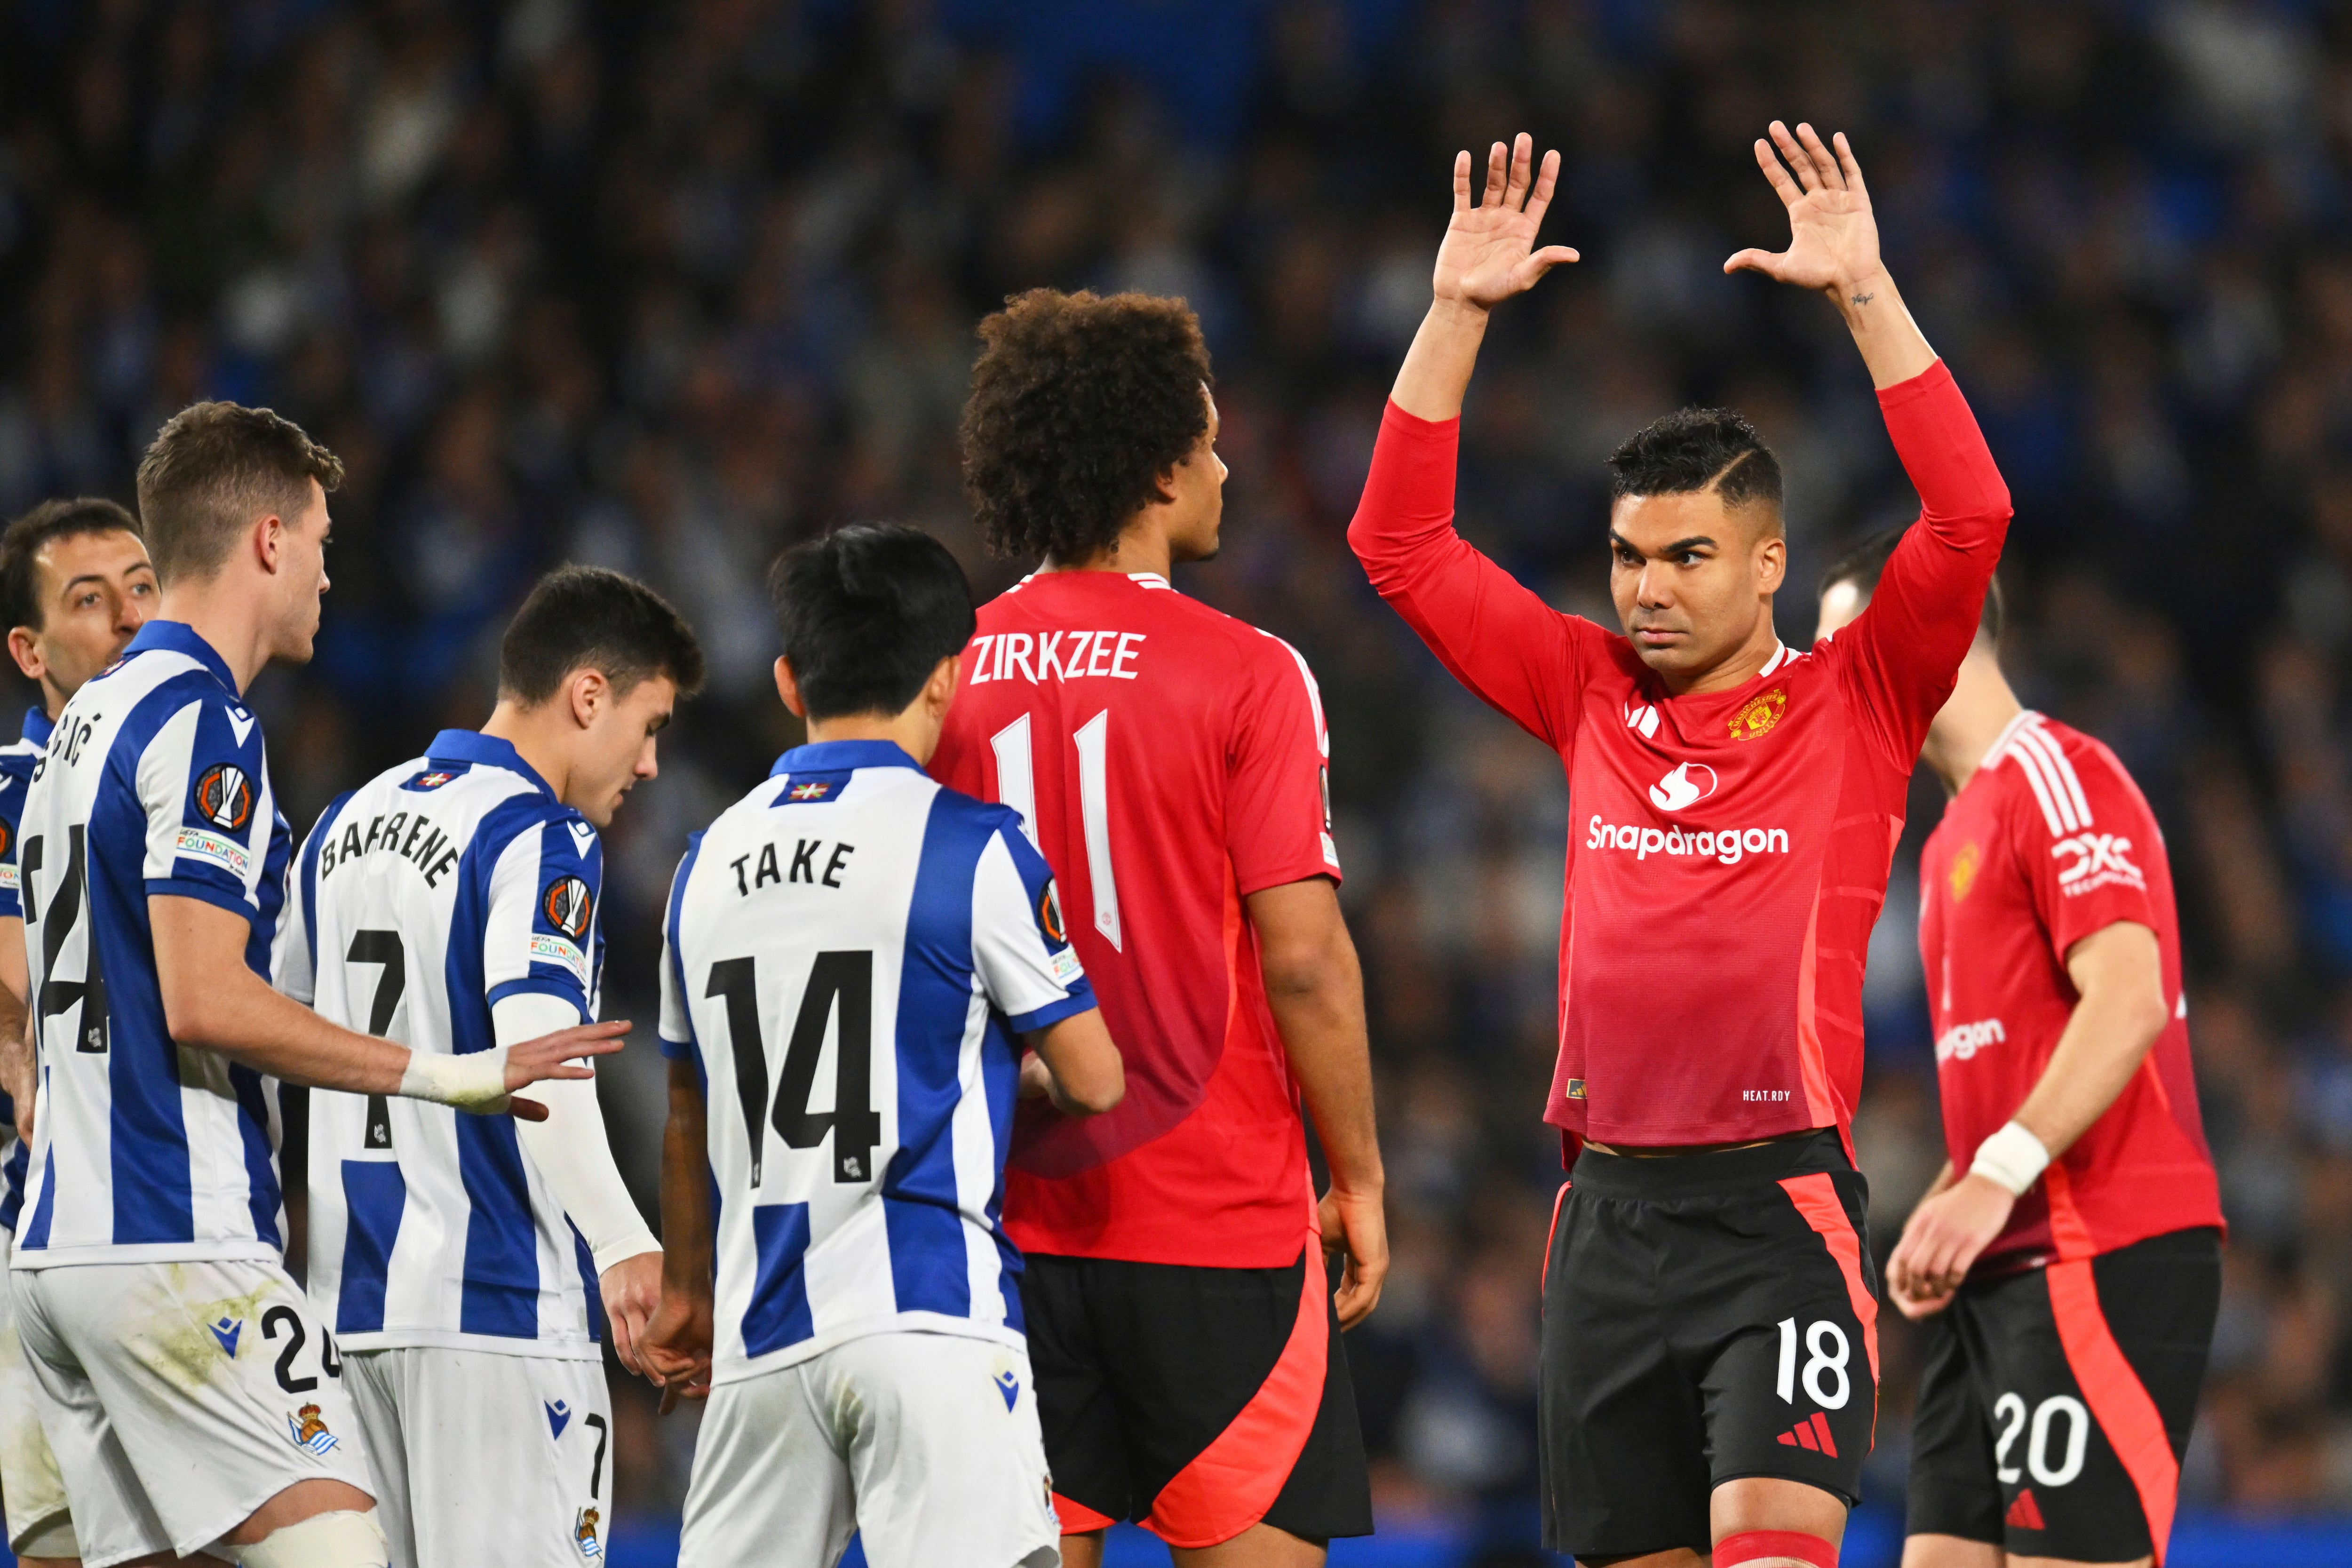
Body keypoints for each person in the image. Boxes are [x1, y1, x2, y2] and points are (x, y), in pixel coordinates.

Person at [1347, 127, 2013, 1568]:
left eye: (1688, 556)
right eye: (1629, 556)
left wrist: (1865, 293)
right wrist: (1453, 312)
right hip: (1605, 1217)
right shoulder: (1585, 686)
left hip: (1777, 1214)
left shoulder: (1860, 694)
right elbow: (1398, 542)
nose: (1647, 589)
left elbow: (1971, 516)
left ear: (1768, 562)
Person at [10, 402, 620, 1568]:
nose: (329, 575)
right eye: (322, 541)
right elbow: (204, 997)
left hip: (55, 1251)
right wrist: (444, 1072)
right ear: (269, 540)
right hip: (172, 1239)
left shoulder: (79, 723)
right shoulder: (202, 720)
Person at [931, 287, 1384, 1565]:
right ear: (1161, 468)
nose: (1228, 469)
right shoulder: (1252, 670)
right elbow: (1305, 960)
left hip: (1001, 1225)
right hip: (1217, 1224)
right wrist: (1359, 1174)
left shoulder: (944, 673)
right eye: (1213, 443)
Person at [643, 523, 1124, 1568]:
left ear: (788, 679)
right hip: (930, 1322)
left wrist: (686, 1294)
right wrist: (989, 1068)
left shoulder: (702, 863)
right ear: (947, 676)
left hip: (763, 1340)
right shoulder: (972, 844)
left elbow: (686, 1109)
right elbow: (1095, 1078)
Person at [273, 565, 702, 1568]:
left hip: (346, 1318)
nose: (648, 765)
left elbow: (272, 1029)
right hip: (495, 1314)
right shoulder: (540, 834)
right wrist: (622, 1241)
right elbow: (542, 1052)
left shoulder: (341, 824)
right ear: (587, 694)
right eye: (648, 726)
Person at [1816, 537, 2221, 1568]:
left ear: (1932, 631)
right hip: (1997, 1264)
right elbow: (2018, 1065)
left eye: (1844, 650)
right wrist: (1951, 1201)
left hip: (2101, 1246)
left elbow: (2127, 998)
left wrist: (1990, 1178)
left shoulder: (2056, 773)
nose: (1827, 684)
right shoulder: (1949, 839)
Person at [0, 496, 157, 1568]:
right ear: (31, 649)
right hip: (53, 1225)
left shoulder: (172, 770)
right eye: (91, 600)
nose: (129, 618)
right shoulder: (14, 786)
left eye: (143, 588)